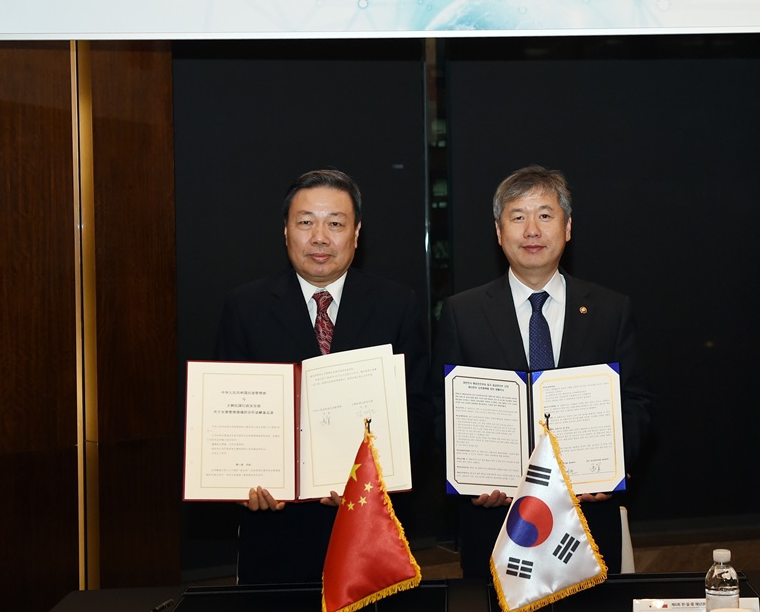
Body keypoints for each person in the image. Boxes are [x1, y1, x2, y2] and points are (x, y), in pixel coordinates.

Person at [432, 164, 653, 578]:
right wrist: (469, 476)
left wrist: (609, 467)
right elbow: (441, 411)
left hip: (586, 524)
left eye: (545, 215)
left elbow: (636, 402)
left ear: (567, 228)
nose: (531, 230)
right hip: (496, 526)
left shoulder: (610, 309)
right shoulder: (462, 313)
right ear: (499, 233)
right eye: (517, 217)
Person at [215, 168, 429, 584]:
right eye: (306, 222)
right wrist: (241, 479)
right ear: (286, 231)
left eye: (335, 223)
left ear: (356, 232)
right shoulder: (246, 306)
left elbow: (417, 407)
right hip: (276, 530)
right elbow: (227, 417)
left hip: (368, 529)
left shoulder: (396, 304)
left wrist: (372, 478)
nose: (320, 237)